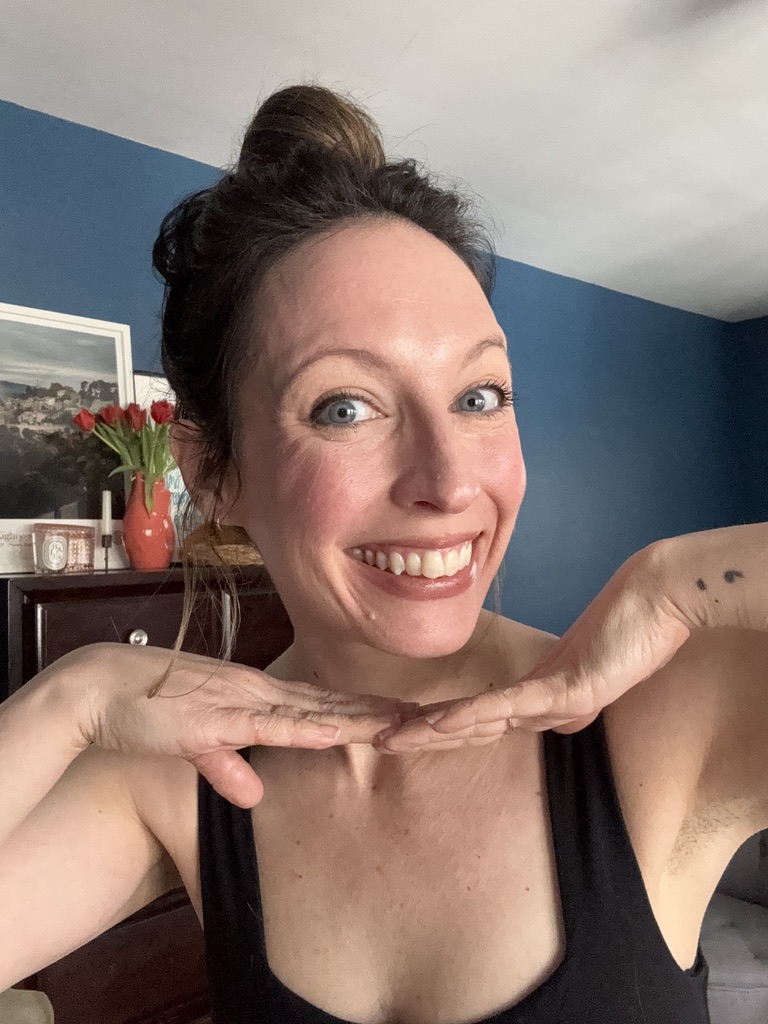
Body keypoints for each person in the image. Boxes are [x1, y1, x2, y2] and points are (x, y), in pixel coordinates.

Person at [1, 83, 767, 1024]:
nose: (447, 482)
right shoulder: (184, 776)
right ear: (215, 474)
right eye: (345, 407)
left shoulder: (661, 724)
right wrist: (64, 700)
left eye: (479, 396)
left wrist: (682, 584)